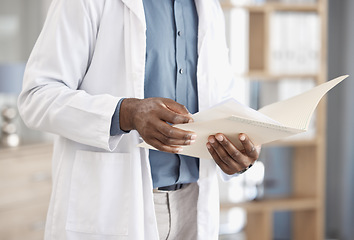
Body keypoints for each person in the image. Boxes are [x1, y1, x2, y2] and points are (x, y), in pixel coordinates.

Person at [18, 0, 260, 239]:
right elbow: (37, 96)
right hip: (116, 203)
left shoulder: (209, 6)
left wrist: (237, 149)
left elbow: (220, 95)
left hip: (195, 203)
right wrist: (126, 113)